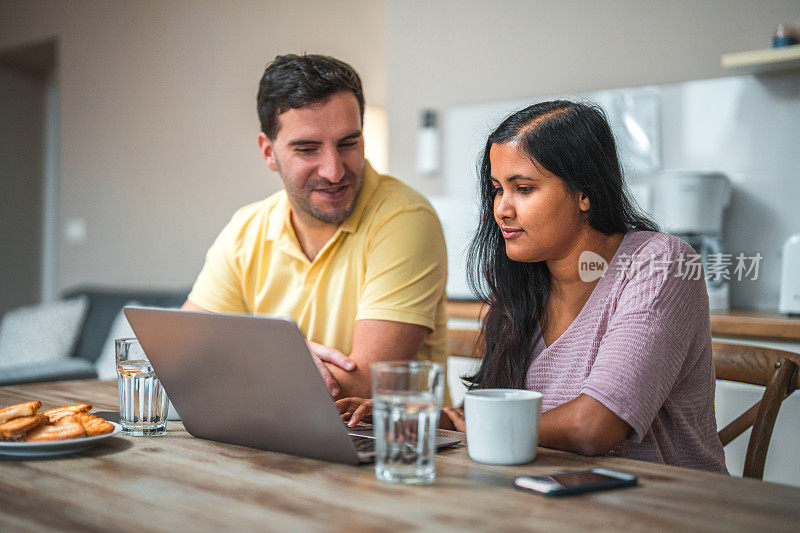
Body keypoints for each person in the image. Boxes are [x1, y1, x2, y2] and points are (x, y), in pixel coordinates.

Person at [338, 100, 728, 473]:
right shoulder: (520, 283)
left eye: (523, 189)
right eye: (497, 189)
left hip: (665, 510)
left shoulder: (659, 263)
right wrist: (429, 418)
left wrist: (472, 425)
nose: (502, 209)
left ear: (584, 193)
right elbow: (501, 410)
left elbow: (593, 428)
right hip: (546, 503)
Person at [183, 54, 447, 400]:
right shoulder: (246, 228)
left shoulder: (405, 218)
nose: (334, 171)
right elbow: (182, 356)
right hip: (278, 434)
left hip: (395, 444)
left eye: (348, 143)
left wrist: (254, 360)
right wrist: (274, 356)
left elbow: (367, 383)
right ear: (268, 152)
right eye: (308, 149)